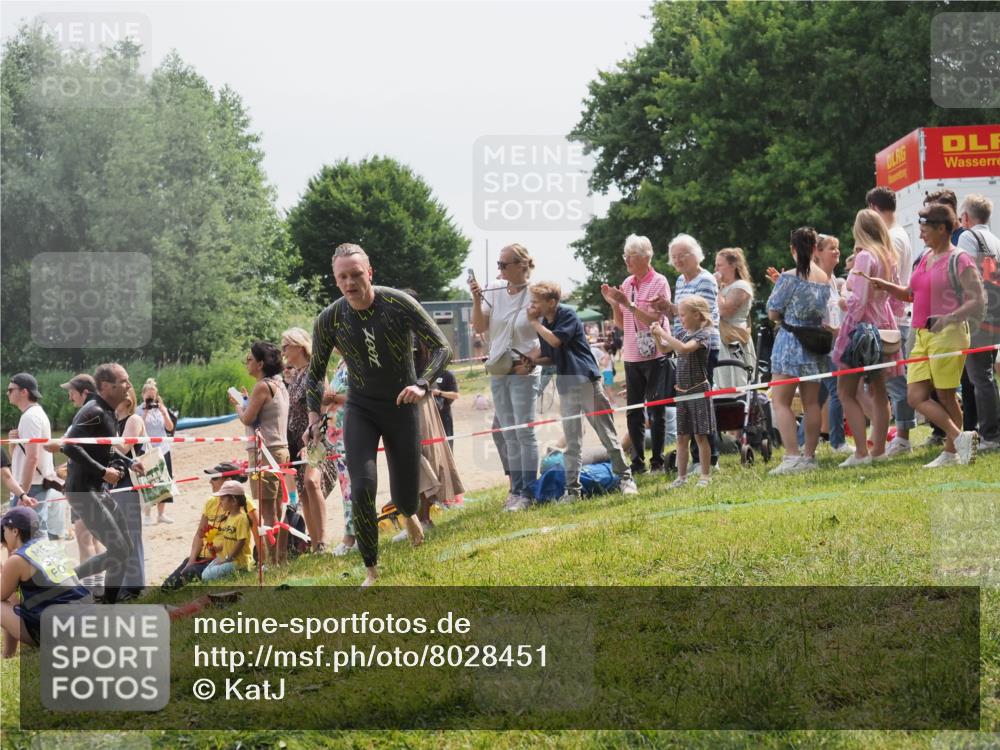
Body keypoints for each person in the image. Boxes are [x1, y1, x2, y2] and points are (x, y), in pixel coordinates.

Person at [305, 243, 451, 587]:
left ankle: (409, 514)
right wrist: (314, 418)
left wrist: (422, 384)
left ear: (369, 273)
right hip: (361, 408)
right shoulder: (330, 318)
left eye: (356, 274)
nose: (350, 282)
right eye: (343, 277)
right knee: (363, 486)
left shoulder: (398, 303)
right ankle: (371, 571)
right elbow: (314, 373)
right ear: (336, 279)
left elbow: (443, 347)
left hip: (401, 406)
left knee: (404, 494)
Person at [867, 203, 984, 467]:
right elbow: (910, 293)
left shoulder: (959, 259)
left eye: (925, 230)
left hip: (949, 334)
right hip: (921, 334)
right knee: (915, 396)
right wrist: (885, 286)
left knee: (944, 395)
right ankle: (959, 439)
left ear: (942, 229)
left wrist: (949, 317)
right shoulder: (923, 258)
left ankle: (953, 452)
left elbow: (977, 300)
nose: (921, 235)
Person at [526, 281, 638, 502]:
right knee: (572, 442)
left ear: (551, 302)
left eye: (536, 301)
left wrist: (533, 324)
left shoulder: (566, 315)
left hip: (586, 381)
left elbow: (557, 341)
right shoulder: (544, 323)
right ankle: (572, 491)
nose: (532, 306)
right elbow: (551, 355)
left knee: (607, 435)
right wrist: (532, 360)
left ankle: (626, 479)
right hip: (566, 386)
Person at [470, 244, 541, 511]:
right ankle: (516, 490)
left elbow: (548, 331)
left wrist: (532, 361)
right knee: (508, 433)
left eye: (503, 264)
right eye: (498, 264)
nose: (498, 269)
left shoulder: (536, 292)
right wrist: (477, 299)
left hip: (524, 369)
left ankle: (527, 493)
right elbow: (479, 327)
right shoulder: (493, 290)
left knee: (524, 432)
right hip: (499, 369)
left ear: (522, 265)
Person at [59, 363, 134, 603]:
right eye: (123, 381)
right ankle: (65, 580)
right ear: (105, 386)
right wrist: (103, 472)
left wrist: (129, 463)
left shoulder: (109, 411)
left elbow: (106, 448)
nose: (129, 386)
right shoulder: (94, 411)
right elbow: (69, 445)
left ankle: (108, 603)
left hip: (97, 489)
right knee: (119, 550)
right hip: (82, 491)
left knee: (126, 549)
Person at [600, 234, 673, 475]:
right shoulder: (627, 283)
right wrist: (614, 303)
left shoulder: (659, 281)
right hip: (632, 355)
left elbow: (655, 319)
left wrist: (629, 305)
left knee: (656, 409)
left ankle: (658, 462)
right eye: (625, 256)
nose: (626, 261)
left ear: (644, 257)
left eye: (629, 257)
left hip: (655, 354)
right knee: (633, 411)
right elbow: (622, 323)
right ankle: (638, 461)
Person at [832, 209, 901, 466]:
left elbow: (857, 302)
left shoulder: (864, 258)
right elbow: (892, 299)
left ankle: (861, 452)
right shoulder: (888, 257)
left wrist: (841, 300)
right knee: (879, 391)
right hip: (884, 325)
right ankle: (879, 450)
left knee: (845, 391)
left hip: (860, 330)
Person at [766, 228, 832, 475]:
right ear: (815, 248)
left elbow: (773, 311)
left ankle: (791, 456)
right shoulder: (824, 277)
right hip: (814, 344)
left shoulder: (790, 277)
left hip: (790, 343)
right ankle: (809, 456)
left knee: (781, 402)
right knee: (811, 402)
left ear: (793, 249)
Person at [658, 234, 720, 470]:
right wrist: (668, 309)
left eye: (681, 255)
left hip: (701, 346)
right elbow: (683, 313)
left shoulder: (705, 279)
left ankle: (708, 460)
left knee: (700, 402)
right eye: (673, 257)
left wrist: (672, 315)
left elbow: (699, 315)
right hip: (682, 343)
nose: (677, 260)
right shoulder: (680, 281)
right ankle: (696, 460)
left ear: (696, 255)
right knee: (687, 404)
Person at [867, 187, 917, 457]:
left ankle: (903, 437)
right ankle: (899, 435)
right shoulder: (898, 235)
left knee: (896, 382)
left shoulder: (892, 238)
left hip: (893, 318)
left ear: (873, 208)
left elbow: (891, 280)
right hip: (897, 316)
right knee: (890, 382)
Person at [1, 506, 90, 658]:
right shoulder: (51, 546)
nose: (2, 534)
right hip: (86, 619)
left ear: (15, 531)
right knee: (12, 595)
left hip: (60, 631)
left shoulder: (17, 560)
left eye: (4, 530)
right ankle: (8, 655)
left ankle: (7, 655)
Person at [231, 341, 289, 566]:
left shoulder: (262, 387)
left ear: (261, 363)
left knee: (266, 508)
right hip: (279, 448)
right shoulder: (279, 384)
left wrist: (238, 404)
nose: (247, 363)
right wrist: (247, 401)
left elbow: (247, 418)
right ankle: (279, 557)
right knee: (276, 506)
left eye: (250, 359)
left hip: (265, 451)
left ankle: (272, 561)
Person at [282, 327, 337, 553]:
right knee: (304, 490)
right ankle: (314, 544)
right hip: (296, 440)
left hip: (316, 437)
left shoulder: (316, 372)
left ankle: (322, 541)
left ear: (299, 346)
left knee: (313, 483)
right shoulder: (294, 376)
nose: (283, 349)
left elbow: (328, 408)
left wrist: (315, 436)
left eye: (286, 344)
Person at [651, 297, 716, 488]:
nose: (680, 319)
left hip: (698, 392)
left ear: (696, 315)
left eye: (682, 315)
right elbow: (664, 348)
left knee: (700, 436)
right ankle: (681, 477)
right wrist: (656, 335)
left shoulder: (703, 335)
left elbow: (684, 349)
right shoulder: (683, 333)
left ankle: (705, 476)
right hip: (683, 393)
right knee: (681, 436)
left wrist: (663, 332)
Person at [161, 462, 257, 590]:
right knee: (167, 587)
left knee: (191, 574)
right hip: (202, 556)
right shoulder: (210, 502)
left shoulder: (244, 502)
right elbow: (199, 534)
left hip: (221, 558)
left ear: (228, 480)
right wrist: (191, 560)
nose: (210, 482)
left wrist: (261, 561)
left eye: (215, 478)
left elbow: (258, 531)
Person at [956, 193, 1000, 451]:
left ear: (966, 217)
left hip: (977, 316)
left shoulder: (967, 236)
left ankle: (991, 435)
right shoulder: (995, 239)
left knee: (979, 377)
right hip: (994, 312)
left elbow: (962, 273)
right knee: (986, 376)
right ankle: (992, 431)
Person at [6, 373, 63, 540]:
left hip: (31, 485)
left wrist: (23, 492)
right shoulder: (32, 414)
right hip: (32, 483)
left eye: (10, 390)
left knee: (32, 532)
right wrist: (13, 442)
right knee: (34, 529)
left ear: (24, 392)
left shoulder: (31, 417)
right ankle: (42, 565)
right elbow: (18, 456)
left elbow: (32, 458)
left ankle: (43, 566)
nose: (7, 393)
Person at [113, 384, 147, 598]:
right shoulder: (114, 422)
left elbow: (122, 449)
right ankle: (123, 583)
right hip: (116, 483)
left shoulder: (133, 420)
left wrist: (101, 441)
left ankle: (134, 585)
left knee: (130, 534)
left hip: (130, 482)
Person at [322, 358, 356, 557]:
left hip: (350, 431)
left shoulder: (356, 360)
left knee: (352, 486)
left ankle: (353, 535)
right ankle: (352, 533)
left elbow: (361, 395)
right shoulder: (341, 364)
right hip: (337, 435)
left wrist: (336, 398)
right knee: (346, 488)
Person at [714, 248, 756, 389]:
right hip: (720, 341)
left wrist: (717, 288)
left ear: (733, 265)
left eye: (720, 265)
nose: (716, 269)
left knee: (735, 384)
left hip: (734, 341)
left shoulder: (741, 286)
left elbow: (724, 311)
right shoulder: (723, 286)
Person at [136, 379, 175, 524]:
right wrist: (145, 412)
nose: (151, 400)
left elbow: (170, 428)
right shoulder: (139, 410)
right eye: (149, 397)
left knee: (164, 480)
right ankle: (147, 515)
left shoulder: (160, 408)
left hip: (163, 448)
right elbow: (138, 428)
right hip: (147, 449)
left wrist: (164, 412)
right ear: (143, 396)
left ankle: (161, 514)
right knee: (149, 481)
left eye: (154, 397)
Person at [201, 481, 255, 581]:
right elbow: (228, 539)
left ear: (233, 501)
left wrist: (228, 559)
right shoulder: (229, 516)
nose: (220, 502)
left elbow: (240, 542)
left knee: (206, 576)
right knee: (205, 573)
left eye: (222, 499)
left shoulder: (241, 519)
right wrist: (218, 548)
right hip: (227, 557)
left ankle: (242, 570)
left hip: (238, 561)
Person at [432, 369, 460, 438]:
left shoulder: (447, 375)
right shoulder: (424, 375)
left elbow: (456, 395)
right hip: (429, 415)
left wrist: (438, 393)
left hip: (444, 414)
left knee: (447, 443)